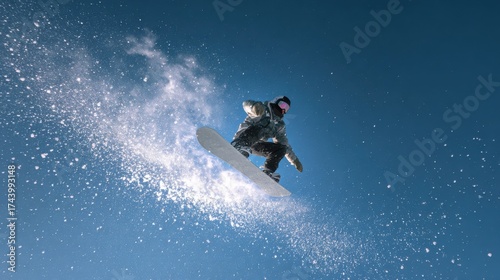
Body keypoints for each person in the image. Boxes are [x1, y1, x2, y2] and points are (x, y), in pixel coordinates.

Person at [231, 96, 303, 182]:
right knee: (263, 125)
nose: (283, 109)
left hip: (255, 145)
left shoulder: (279, 125)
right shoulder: (263, 108)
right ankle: (239, 145)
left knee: (282, 148)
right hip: (244, 137)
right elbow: (246, 104)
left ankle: (268, 171)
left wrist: (295, 160)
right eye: (282, 105)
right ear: (276, 102)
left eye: (286, 108)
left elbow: (285, 144)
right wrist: (254, 107)